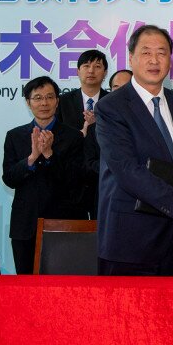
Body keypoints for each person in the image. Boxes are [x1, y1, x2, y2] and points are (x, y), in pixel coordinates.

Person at [95, 25, 173, 276]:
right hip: (129, 241)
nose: (155, 60)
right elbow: (127, 171)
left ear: (171, 60)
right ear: (131, 58)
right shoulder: (111, 107)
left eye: (162, 52)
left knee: (172, 315)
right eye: (146, 52)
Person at [2, 76, 85, 275]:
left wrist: (49, 155)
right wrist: (32, 158)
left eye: (49, 97)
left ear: (57, 101)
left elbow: (75, 182)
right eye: (37, 98)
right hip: (25, 224)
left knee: (63, 286)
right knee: (26, 286)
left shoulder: (73, 136)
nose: (44, 103)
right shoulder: (15, 136)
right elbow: (9, 179)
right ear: (28, 102)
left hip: (63, 223)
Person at [56, 49, 109, 219]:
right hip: (71, 181)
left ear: (105, 72)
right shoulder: (62, 102)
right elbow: (57, 138)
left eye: (97, 66)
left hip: (103, 179)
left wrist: (97, 126)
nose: (91, 71)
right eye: (86, 66)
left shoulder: (114, 103)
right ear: (78, 71)